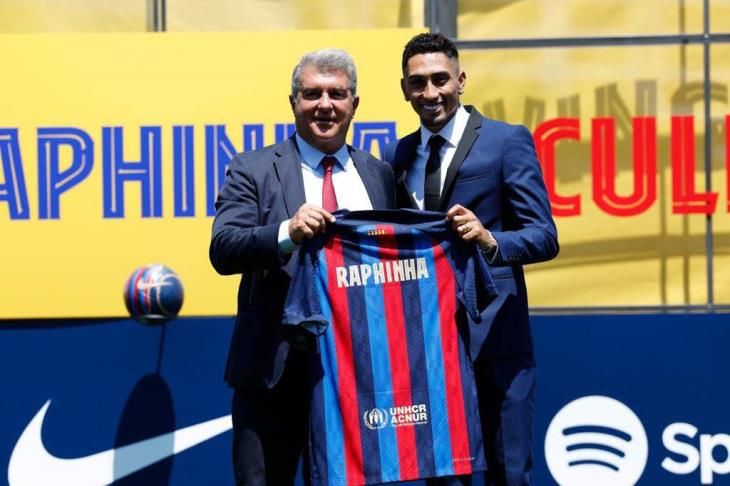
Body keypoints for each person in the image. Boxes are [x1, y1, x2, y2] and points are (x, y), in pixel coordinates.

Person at [210, 48, 395, 485]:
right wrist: (286, 231)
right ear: (293, 102)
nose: (325, 105)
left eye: (336, 94)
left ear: (354, 104)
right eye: (312, 94)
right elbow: (224, 247)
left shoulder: (380, 174)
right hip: (273, 372)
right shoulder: (253, 168)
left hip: (358, 378)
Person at [383, 33, 559, 486]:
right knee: (442, 476)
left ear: (460, 80)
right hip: (428, 346)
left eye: (440, 79)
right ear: (404, 89)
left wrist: (488, 239)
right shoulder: (394, 155)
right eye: (418, 83)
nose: (430, 93)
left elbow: (544, 236)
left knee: (509, 474)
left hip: (497, 339)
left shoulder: (507, 141)